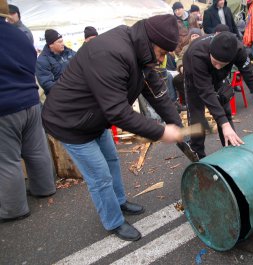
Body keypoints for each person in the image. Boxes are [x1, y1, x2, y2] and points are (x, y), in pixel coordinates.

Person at [41, 14, 184, 241]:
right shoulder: (111, 52)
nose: (162, 59)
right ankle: (113, 221)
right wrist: (160, 131)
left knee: (112, 161)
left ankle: (119, 201)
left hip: (94, 119)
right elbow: (118, 111)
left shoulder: (142, 53)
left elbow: (156, 92)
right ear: (152, 41)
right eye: (163, 52)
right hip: (70, 122)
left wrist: (176, 124)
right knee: (100, 177)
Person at [183, 32, 253, 159]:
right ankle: (198, 154)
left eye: (222, 64)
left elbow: (250, 76)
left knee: (225, 110)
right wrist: (223, 123)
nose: (218, 67)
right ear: (210, 53)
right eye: (215, 62)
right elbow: (206, 92)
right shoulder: (197, 54)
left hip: (220, 79)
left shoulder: (238, 50)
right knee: (197, 116)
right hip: (194, 75)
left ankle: (231, 148)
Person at [0, 1, 56, 223]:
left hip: (4, 105)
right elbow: (32, 61)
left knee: (6, 160)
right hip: (30, 99)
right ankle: (45, 187)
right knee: (35, 149)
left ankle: (13, 209)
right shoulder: (19, 34)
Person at [36, 29, 76, 95]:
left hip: (76, 91)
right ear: (51, 45)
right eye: (59, 42)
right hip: (59, 97)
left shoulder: (70, 52)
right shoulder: (42, 61)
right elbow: (47, 84)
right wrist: (67, 87)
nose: (62, 44)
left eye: (62, 41)